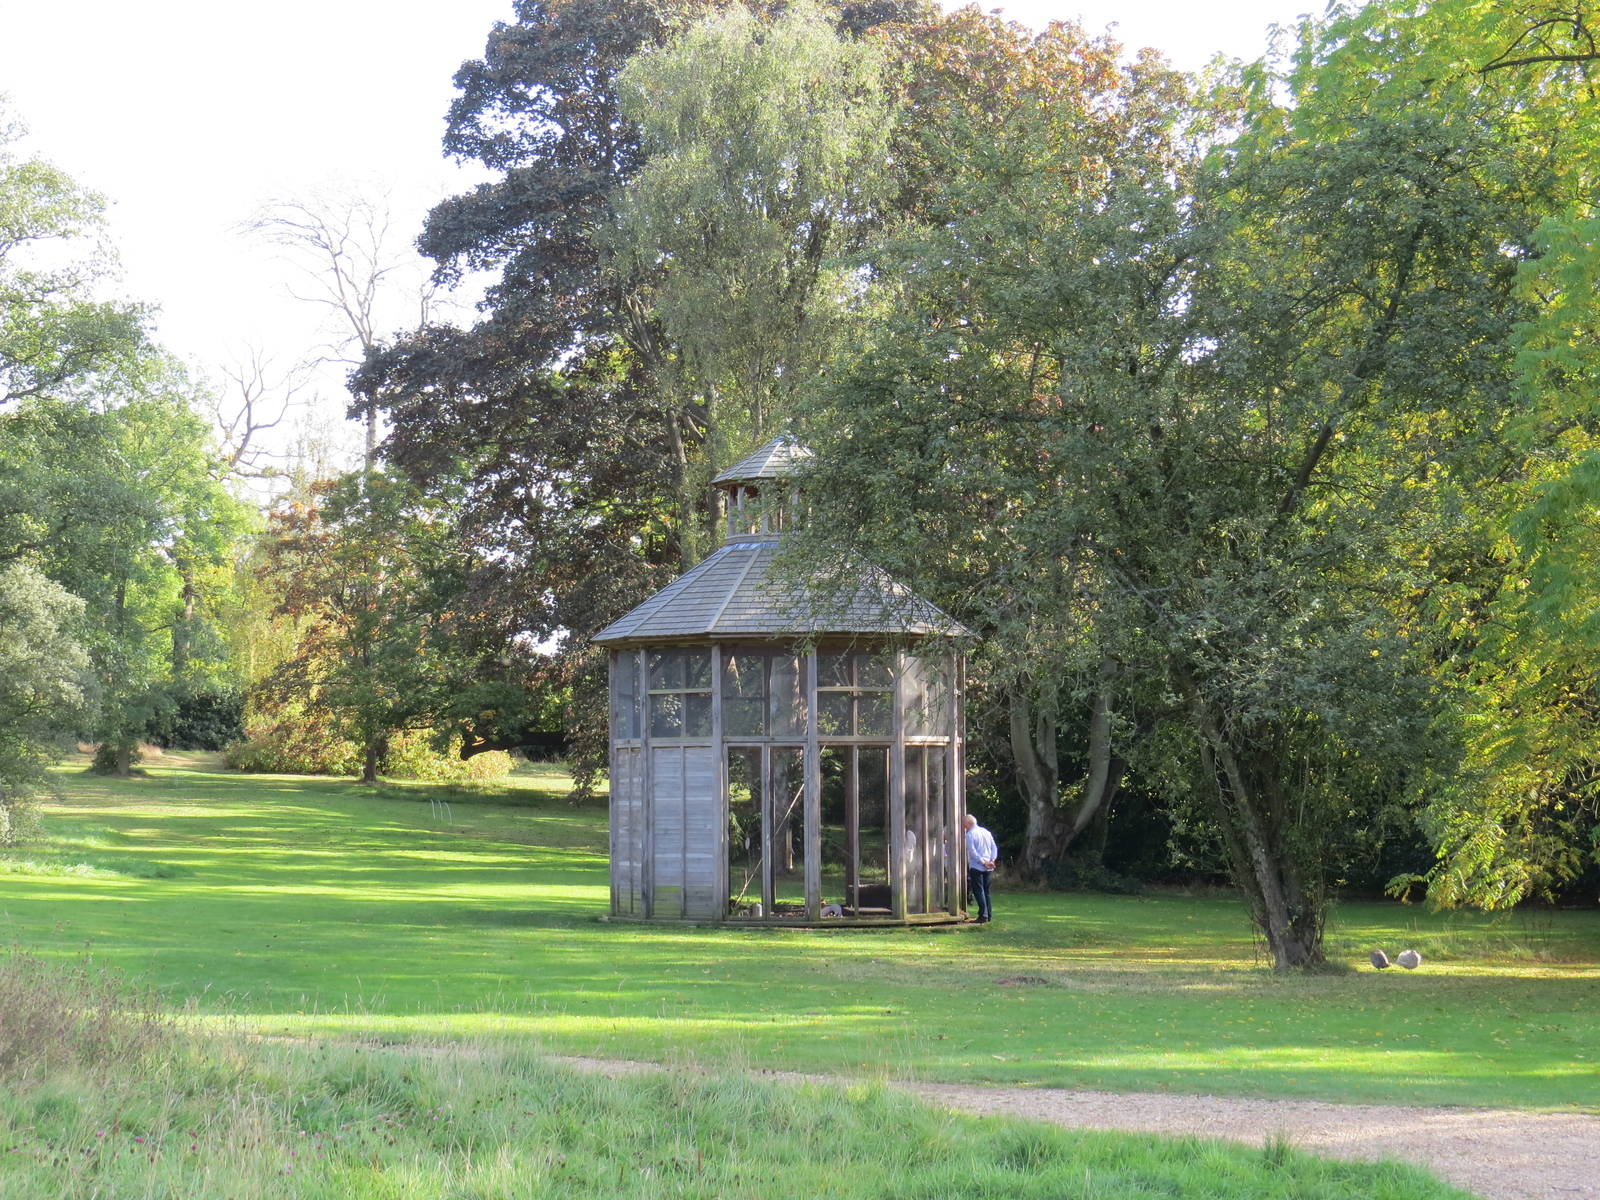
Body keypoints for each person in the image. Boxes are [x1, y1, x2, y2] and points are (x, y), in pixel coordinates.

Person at [963, 813, 997, 924]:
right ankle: (989, 915)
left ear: (967, 824)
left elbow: (972, 852)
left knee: (978, 891)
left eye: (964, 823)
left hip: (977, 866)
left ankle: (983, 915)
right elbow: (994, 847)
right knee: (986, 891)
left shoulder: (970, 834)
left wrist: (983, 862)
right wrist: (992, 860)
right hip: (988, 867)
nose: (963, 826)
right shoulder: (986, 832)